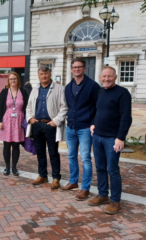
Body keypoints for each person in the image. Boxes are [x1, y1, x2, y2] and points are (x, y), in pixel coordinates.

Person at [88, 66, 132, 215]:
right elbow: (98, 111)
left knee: (113, 170)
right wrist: (93, 123)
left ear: (115, 77)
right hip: (98, 137)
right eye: (104, 76)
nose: (106, 79)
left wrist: (120, 138)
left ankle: (115, 200)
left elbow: (126, 117)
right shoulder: (101, 91)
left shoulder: (123, 93)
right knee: (100, 167)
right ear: (100, 77)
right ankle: (103, 195)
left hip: (112, 139)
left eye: (109, 76)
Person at [61, 57, 100, 201]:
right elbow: (69, 106)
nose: (76, 69)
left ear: (84, 68)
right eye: (74, 67)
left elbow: (98, 107)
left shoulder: (93, 86)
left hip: (85, 127)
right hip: (71, 126)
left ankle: (85, 188)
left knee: (85, 158)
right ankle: (73, 181)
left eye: (79, 67)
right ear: (71, 69)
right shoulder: (68, 86)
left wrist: (93, 123)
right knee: (71, 156)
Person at [26, 65, 68, 187]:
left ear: (50, 74)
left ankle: (56, 178)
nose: (43, 76)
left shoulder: (59, 88)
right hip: (37, 124)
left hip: (51, 125)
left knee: (53, 152)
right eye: (41, 74)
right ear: (38, 75)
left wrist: (56, 120)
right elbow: (28, 107)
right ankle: (43, 175)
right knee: (40, 152)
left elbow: (64, 107)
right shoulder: (35, 89)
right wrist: (30, 119)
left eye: (45, 73)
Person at [0, 72, 28, 176]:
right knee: (7, 145)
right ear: (8, 81)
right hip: (6, 121)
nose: (13, 81)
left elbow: (27, 107)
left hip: (19, 121)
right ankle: (7, 167)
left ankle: (14, 167)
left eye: (14, 79)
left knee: (16, 145)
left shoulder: (23, 91)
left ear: (18, 80)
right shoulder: (4, 91)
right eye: (11, 79)